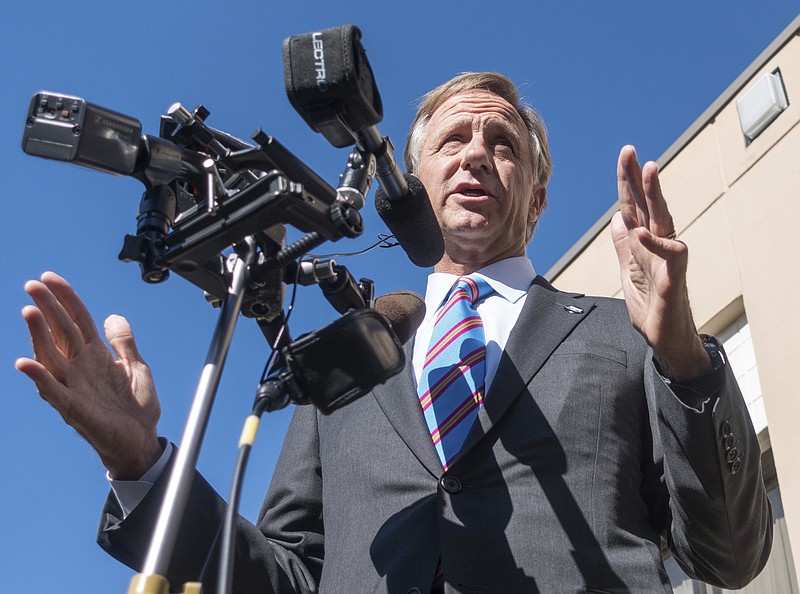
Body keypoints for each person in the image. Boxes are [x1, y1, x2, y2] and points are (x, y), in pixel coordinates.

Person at [17, 72, 772, 593]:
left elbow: (731, 555)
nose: (476, 152)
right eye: (453, 141)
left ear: (537, 203)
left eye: (502, 143)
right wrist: (142, 463)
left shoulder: (625, 334)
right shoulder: (345, 360)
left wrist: (684, 356)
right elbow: (284, 576)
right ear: (412, 181)